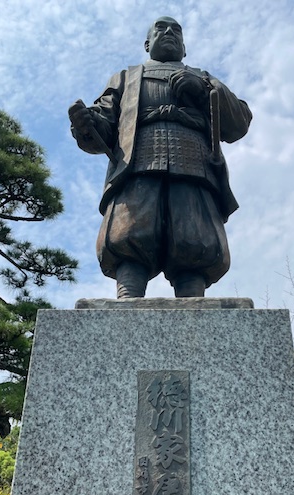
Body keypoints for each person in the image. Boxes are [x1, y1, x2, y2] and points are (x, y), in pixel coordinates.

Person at [69, 16, 252, 298]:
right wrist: (87, 123)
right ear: (147, 44)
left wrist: (204, 91)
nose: (169, 32)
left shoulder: (203, 78)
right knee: (131, 230)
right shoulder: (125, 78)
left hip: (194, 163)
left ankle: (193, 302)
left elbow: (238, 122)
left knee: (194, 236)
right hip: (137, 164)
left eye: (176, 30)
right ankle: (128, 296)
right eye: (160, 29)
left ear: (184, 48)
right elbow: (103, 126)